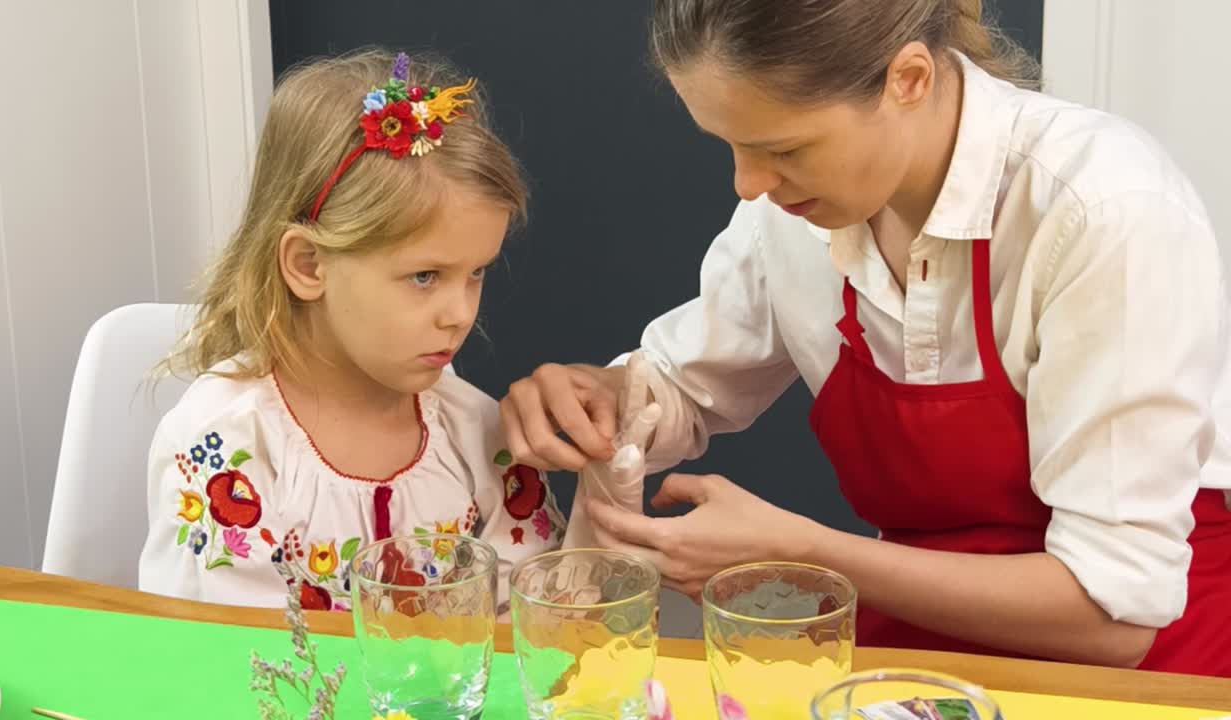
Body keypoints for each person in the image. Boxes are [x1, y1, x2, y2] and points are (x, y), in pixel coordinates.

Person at [500, 0, 1231, 675]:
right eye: (729, 145)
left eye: (781, 148)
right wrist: (606, 394)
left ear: (908, 79)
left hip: (1142, 671)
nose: (747, 185)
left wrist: (803, 553)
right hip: (917, 641)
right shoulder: (793, 214)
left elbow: (1116, 614)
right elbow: (682, 388)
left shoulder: (1103, 212)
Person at [139, 49, 564, 612]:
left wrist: (612, 484)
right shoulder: (224, 449)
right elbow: (226, 661)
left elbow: (543, 619)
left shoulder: (474, 432)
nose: (459, 313)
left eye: (476, 273)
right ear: (309, 265)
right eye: (424, 276)